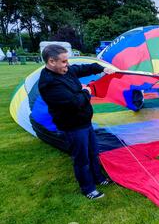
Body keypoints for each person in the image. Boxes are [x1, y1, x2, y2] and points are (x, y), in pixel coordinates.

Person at [38, 44, 116, 199]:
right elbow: (75, 102)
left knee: (93, 152)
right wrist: (87, 91)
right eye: (64, 61)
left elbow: (83, 68)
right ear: (52, 62)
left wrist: (101, 68)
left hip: (85, 122)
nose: (67, 64)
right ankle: (88, 189)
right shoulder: (49, 83)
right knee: (82, 159)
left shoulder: (65, 70)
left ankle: (99, 178)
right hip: (72, 126)